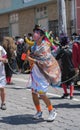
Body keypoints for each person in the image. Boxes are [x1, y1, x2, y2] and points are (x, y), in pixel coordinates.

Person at [27, 27, 61, 122]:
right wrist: (28, 58)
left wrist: (32, 59)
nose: (34, 34)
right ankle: (39, 111)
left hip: (43, 74)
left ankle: (52, 110)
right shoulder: (33, 46)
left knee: (42, 94)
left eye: (37, 33)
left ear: (42, 36)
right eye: (34, 32)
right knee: (34, 93)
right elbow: (31, 58)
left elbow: (45, 61)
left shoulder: (45, 46)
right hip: (35, 73)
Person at [56, 35, 75, 99]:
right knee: (71, 81)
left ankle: (66, 93)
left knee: (63, 81)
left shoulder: (62, 50)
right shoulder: (71, 49)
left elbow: (56, 58)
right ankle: (71, 94)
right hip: (72, 67)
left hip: (64, 68)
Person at [0, 45, 8, 110]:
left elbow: (5, 56)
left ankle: (3, 103)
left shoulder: (0, 48)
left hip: (1, 72)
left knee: (2, 88)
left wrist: (4, 60)